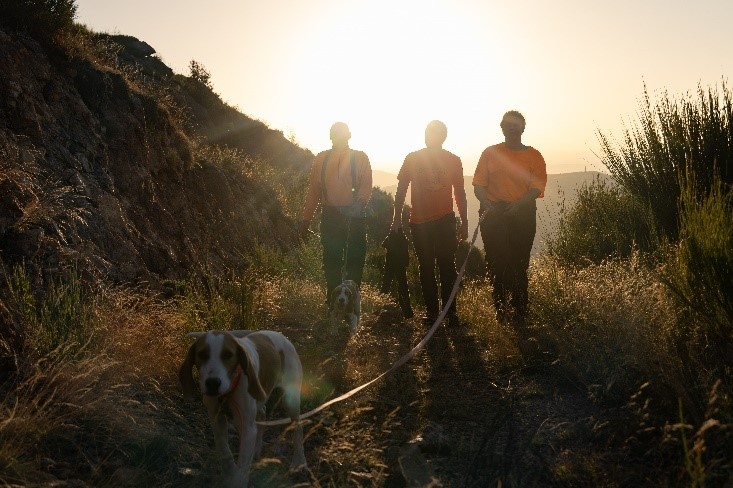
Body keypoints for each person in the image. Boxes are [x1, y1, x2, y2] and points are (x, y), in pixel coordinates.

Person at [472, 110, 547, 326]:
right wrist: (485, 201)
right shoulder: (490, 153)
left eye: (516, 125)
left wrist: (517, 205)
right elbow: (478, 184)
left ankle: (520, 312)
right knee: (497, 263)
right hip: (493, 214)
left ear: (523, 128)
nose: (512, 128)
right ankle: (502, 313)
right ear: (502, 128)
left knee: (519, 263)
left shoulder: (534, 155)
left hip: (522, 214)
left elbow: (537, 187)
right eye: (508, 125)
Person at [391, 120, 468, 327]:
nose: (428, 136)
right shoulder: (412, 158)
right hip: (419, 221)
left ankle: (450, 313)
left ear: (442, 137)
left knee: (446, 266)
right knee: (426, 267)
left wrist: (465, 221)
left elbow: (459, 192)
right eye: (427, 132)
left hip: (444, 220)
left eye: (432, 133)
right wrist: (396, 218)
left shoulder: (453, 160)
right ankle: (433, 312)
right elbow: (401, 189)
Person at [299, 122, 373, 307]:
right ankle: (333, 301)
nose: (338, 137)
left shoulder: (360, 157)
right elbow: (314, 192)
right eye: (335, 134)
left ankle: (352, 300)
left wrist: (360, 202)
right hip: (330, 215)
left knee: (356, 259)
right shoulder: (320, 159)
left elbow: (366, 185)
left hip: (354, 214)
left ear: (349, 136)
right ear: (330, 137)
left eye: (341, 134)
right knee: (331, 258)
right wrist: (305, 220)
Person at [380, 228, 414, 318]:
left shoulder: (393, 236)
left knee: (387, 282)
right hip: (400, 262)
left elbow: (384, 244)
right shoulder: (402, 237)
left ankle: (380, 306)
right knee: (402, 284)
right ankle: (407, 310)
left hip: (392, 261)